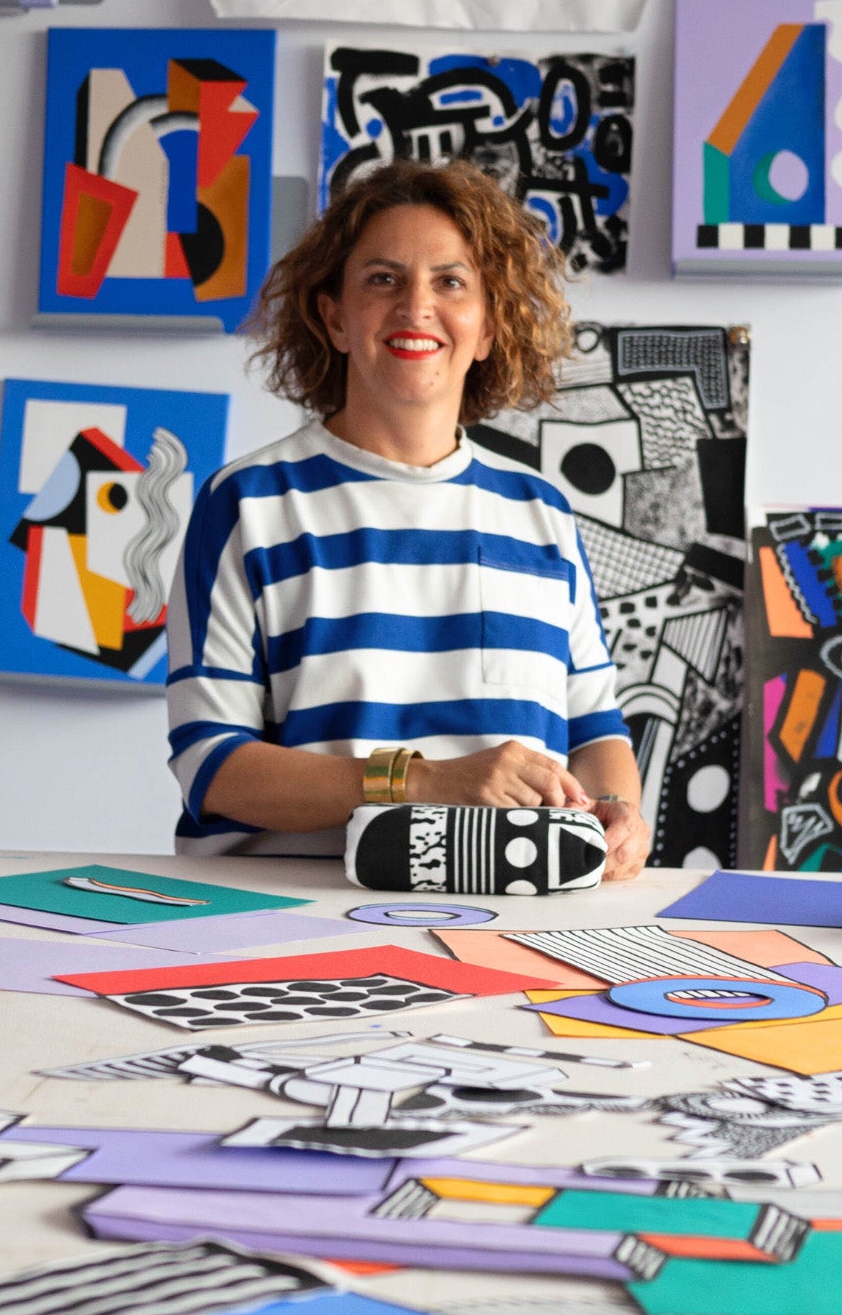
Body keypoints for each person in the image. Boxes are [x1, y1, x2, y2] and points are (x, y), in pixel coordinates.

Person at [165, 158, 652, 881]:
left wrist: (618, 809)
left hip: (515, 919)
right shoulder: (247, 503)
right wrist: (422, 782)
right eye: (382, 279)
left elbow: (595, 726)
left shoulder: (542, 512)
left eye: (450, 282)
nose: (416, 307)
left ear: (489, 326)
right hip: (288, 924)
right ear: (334, 317)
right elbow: (211, 766)